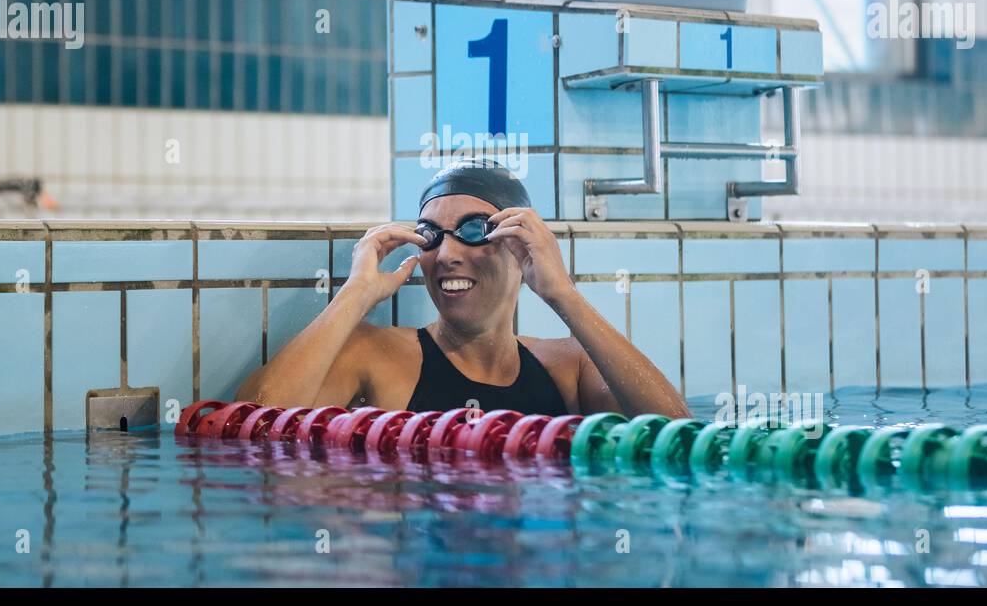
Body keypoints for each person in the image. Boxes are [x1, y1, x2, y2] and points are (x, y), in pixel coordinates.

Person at [236, 159, 688, 418]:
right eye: (430, 234)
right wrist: (355, 293)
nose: (446, 254)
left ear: (520, 244)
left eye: (474, 230)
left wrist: (562, 294)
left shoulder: (569, 365)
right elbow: (251, 424)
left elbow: (676, 433)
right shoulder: (375, 355)